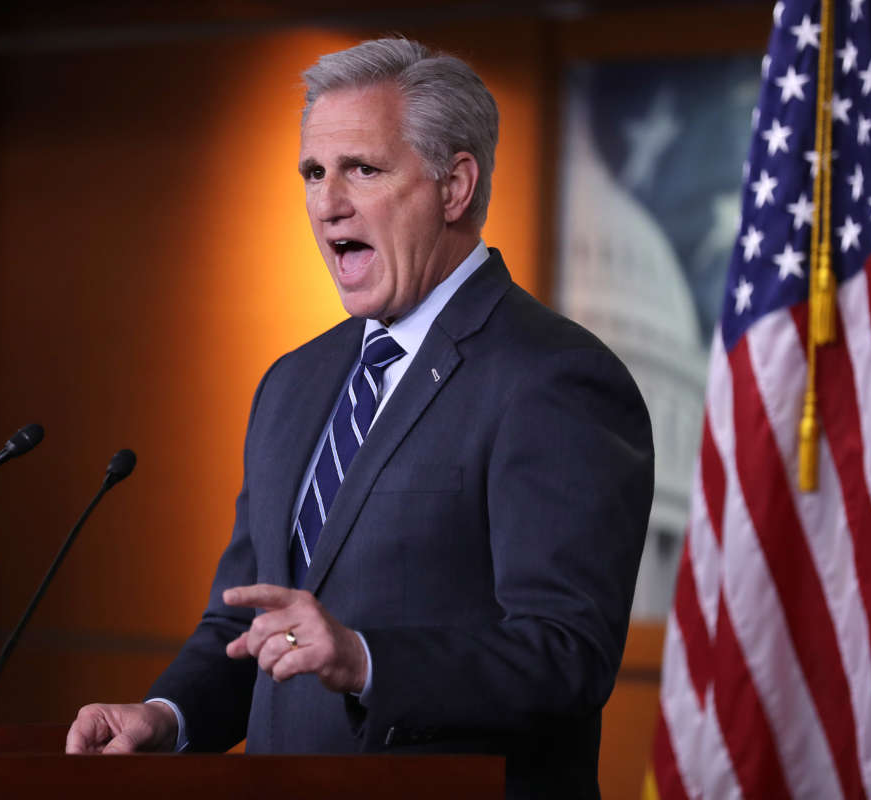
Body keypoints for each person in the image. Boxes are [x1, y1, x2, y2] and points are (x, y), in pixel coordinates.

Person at [66, 38, 654, 799]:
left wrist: (365, 659)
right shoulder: (294, 381)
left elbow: (565, 656)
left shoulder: (553, 378)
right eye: (313, 172)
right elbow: (247, 621)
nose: (326, 202)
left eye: (362, 170)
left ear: (455, 186)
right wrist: (167, 716)